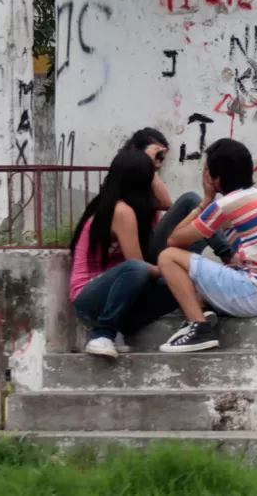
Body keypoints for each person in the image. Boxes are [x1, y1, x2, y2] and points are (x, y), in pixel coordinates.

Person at [157, 138, 257, 352]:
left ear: (215, 179)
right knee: (194, 283)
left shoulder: (225, 205)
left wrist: (206, 199)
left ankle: (198, 327)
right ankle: (202, 314)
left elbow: (174, 240)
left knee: (168, 257)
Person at [69, 150, 180, 358]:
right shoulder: (121, 210)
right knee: (140, 269)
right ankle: (103, 334)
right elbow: (137, 266)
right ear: (142, 182)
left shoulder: (131, 207)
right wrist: (169, 267)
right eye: (151, 177)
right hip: (88, 297)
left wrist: (146, 161)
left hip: (116, 294)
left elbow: (166, 203)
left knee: (179, 286)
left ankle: (120, 327)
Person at [120, 127, 234, 265]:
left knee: (198, 230)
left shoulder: (148, 181)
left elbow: (163, 207)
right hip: (142, 257)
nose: (157, 165)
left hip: (153, 247)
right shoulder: (123, 178)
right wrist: (146, 162)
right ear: (134, 149)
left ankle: (189, 271)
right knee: (191, 200)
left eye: (161, 159)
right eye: (155, 157)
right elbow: (166, 203)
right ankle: (229, 257)